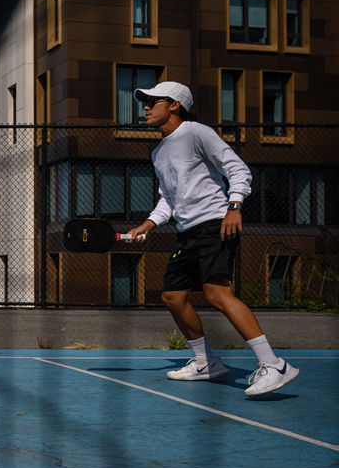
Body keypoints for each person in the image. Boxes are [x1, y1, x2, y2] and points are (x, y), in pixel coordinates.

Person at [124, 81, 298, 397]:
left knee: (217, 294)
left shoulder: (197, 133)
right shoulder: (159, 151)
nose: (145, 107)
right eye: (144, 102)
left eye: (153, 101)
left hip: (215, 224)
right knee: (173, 297)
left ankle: (274, 365)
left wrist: (234, 206)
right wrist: (148, 224)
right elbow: (168, 197)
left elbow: (238, 169)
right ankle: (207, 362)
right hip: (187, 232)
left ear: (174, 105)